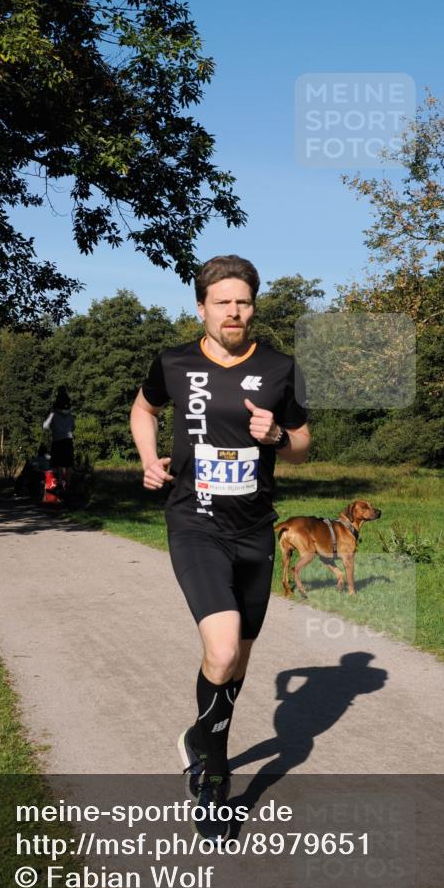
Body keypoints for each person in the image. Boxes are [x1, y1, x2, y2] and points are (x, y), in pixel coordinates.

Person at [130, 254, 311, 841]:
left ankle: (201, 738)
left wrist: (277, 435)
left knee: (237, 662)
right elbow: (143, 408)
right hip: (196, 523)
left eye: (243, 302)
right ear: (201, 307)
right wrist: (148, 459)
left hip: (255, 529)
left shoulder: (280, 367)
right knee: (223, 646)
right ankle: (212, 775)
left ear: (253, 307)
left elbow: (302, 443)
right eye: (223, 302)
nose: (234, 312)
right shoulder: (174, 362)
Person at [43, 388, 75, 489]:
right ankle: (68, 485)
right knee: (68, 464)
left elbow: (45, 426)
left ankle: (60, 484)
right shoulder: (70, 415)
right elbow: (73, 427)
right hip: (68, 440)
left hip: (57, 440)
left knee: (58, 464)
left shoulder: (54, 414)